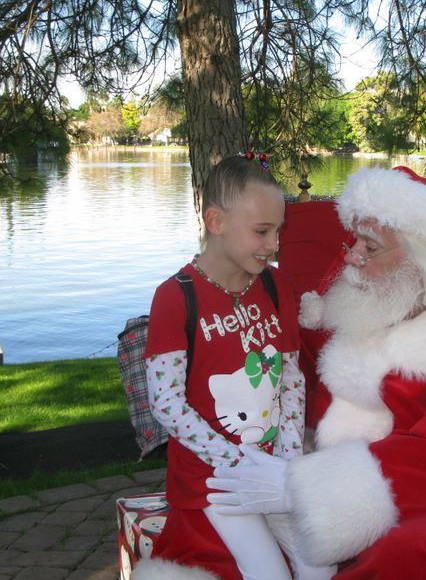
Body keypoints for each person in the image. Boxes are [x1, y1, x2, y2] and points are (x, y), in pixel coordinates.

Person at [207, 166, 426, 579]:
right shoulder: (349, 300)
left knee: (410, 554)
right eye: (352, 241)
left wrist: (305, 487)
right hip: (308, 456)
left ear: (421, 261)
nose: (351, 257)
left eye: (368, 247)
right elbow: (282, 373)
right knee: (214, 516)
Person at [134, 154, 334, 580]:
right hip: (216, 478)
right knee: (269, 574)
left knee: (319, 565)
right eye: (262, 231)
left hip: (273, 466)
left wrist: (285, 457)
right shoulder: (175, 296)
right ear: (216, 222)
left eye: (279, 230)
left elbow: (292, 377)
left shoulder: (275, 286)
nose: (274, 244)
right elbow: (167, 404)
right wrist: (237, 463)